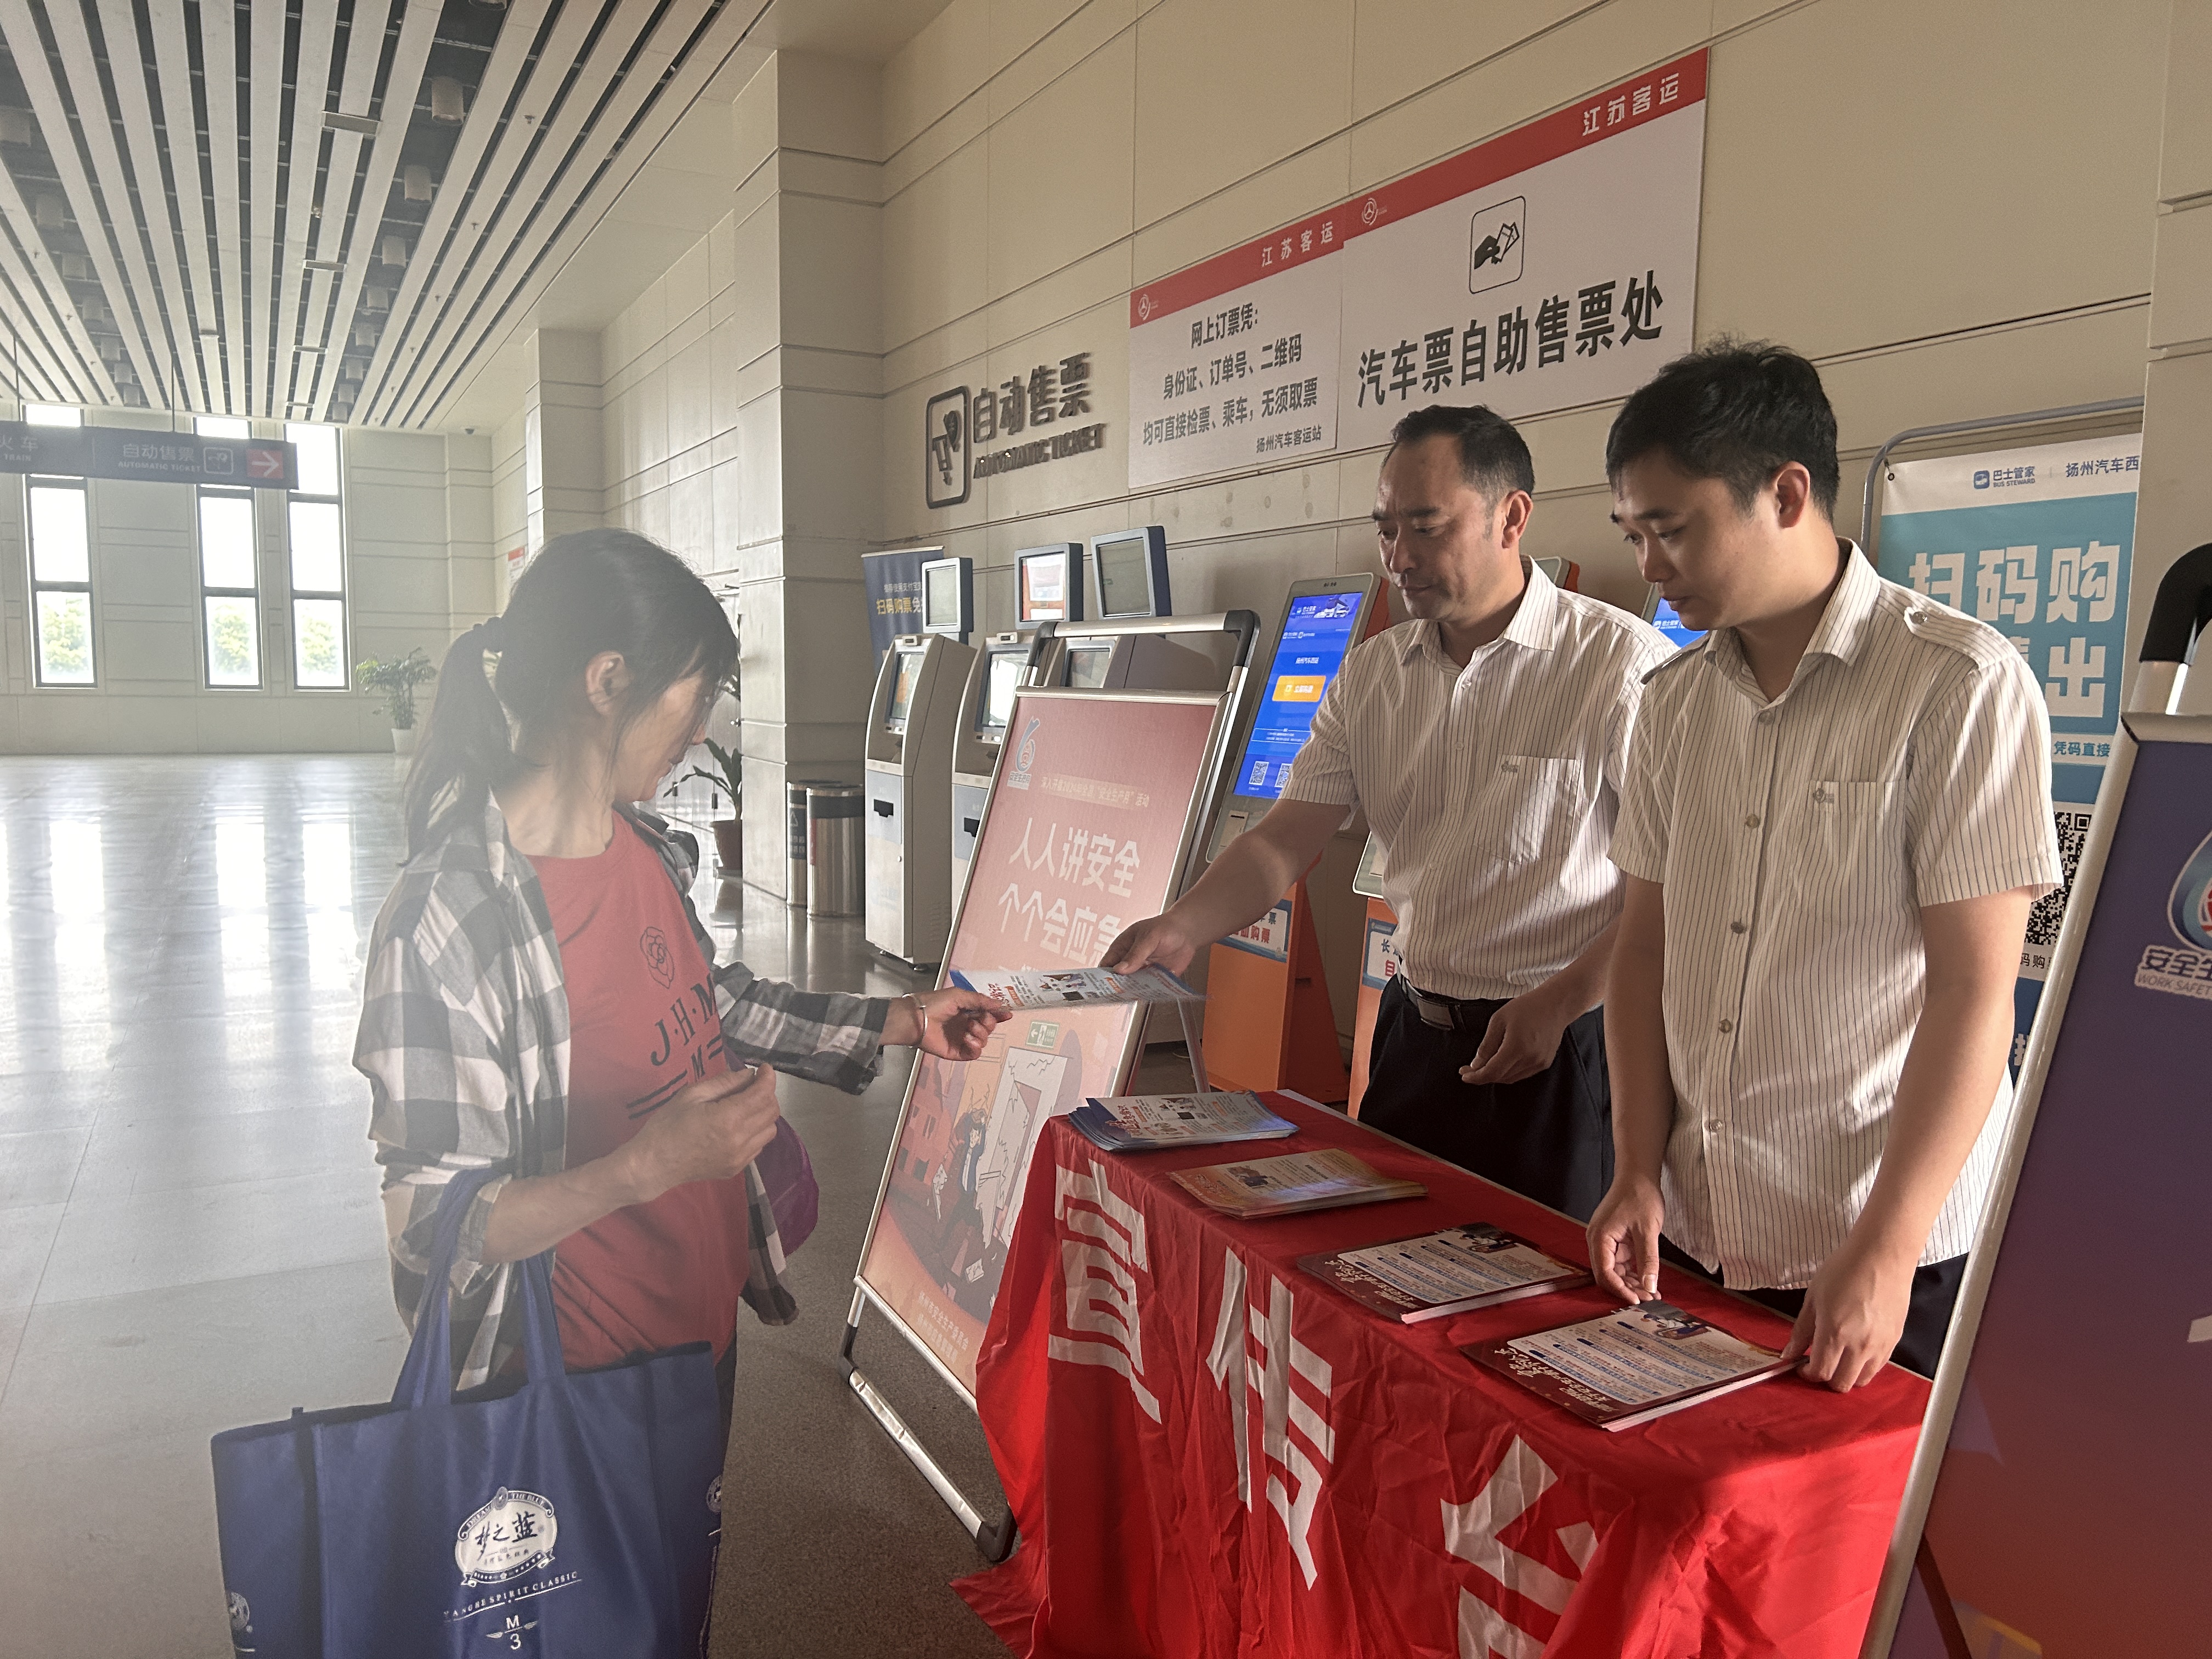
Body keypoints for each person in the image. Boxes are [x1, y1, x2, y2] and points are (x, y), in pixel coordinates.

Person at [355, 528, 1005, 1423]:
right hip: (575, 1381)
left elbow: (713, 1001)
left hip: (699, 1330)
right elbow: (434, 1228)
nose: (701, 731)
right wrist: (641, 1169)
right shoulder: (450, 919)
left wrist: (906, 1019)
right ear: (607, 679)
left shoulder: (645, 850)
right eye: (697, 696)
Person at [1589, 341, 2062, 1387]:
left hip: (1882, 1253)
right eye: (1634, 536)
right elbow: (1645, 952)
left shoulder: (1957, 685)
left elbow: (1976, 993)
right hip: (1700, 1229)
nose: (1651, 567)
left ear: (1787, 493)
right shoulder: (1668, 706)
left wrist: (1886, 1248)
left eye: (1673, 529)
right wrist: (1634, 1167)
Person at [1106, 404, 1672, 1220]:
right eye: (1386, 530)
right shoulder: (1371, 677)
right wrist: (1183, 926)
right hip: (1415, 1037)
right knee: (1382, 1260)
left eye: (1427, 527)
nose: (1400, 557)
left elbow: (1676, 885)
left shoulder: (1622, 669)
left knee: (1542, 1287)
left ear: (1511, 517)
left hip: (1568, 1047)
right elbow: (1284, 840)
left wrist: (1563, 1000)